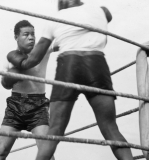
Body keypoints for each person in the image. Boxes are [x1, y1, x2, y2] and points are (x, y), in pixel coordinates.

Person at [8, 0, 135, 160]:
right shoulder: (99, 11)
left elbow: (32, 60)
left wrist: (19, 61)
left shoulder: (57, 18)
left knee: (54, 131)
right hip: (97, 64)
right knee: (110, 128)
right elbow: (107, 14)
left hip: (69, 65)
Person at [0, 20, 55, 160]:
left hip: (38, 106)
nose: (31, 37)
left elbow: (60, 43)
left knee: (46, 153)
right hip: (15, 105)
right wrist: (10, 77)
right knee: (1, 151)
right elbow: (5, 84)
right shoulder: (9, 59)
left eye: (33, 34)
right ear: (16, 37)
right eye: (26, 34)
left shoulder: (42, 52)